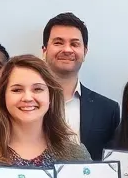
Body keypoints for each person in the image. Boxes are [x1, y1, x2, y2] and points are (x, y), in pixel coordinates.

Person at [41, 12, 120, 159]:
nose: (67, 50)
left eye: (74, 44)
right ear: (44, 51)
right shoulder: (26, 103)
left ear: (85, 51)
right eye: (58, 43)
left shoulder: (108, 110)